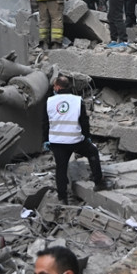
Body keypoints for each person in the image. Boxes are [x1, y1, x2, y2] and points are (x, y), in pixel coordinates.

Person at [44, 75, 106, 204]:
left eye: (54, 86)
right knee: (92, 152)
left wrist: (46, 139)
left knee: (61, 168)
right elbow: (84, 121)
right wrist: (87, 136)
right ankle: (99, 182)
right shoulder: (77, 100)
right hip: (75, 139)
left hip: (57, 142)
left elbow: (45, 122)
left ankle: (62, 197)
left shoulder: (50, 101)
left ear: (57, 87)